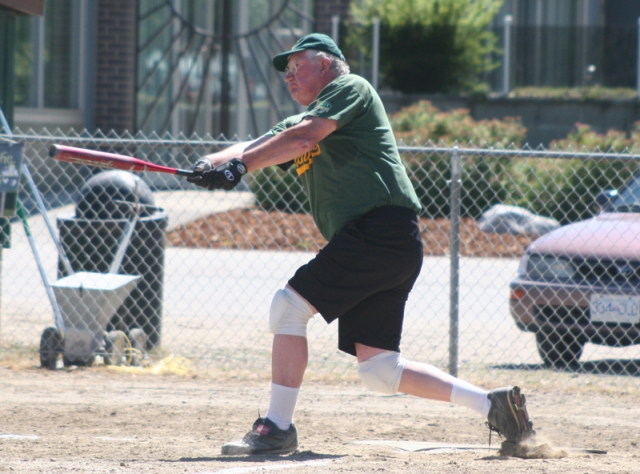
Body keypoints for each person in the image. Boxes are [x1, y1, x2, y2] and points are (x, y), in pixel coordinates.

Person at [187, 33, 535, 455]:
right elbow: (256, 145)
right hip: (387, 242)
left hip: (378, 231)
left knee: (289, 307)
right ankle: (494, 405)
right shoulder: (307, 117)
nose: (289, 76)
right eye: (286, 71)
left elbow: (303, 138)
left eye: (298, 66)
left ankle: (277, 427)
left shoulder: (348, 89)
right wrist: (212, 163)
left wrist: (239, 166)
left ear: (328, 64)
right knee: (380, 370)